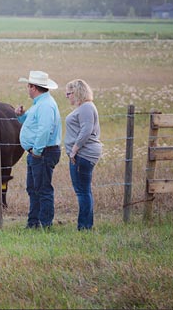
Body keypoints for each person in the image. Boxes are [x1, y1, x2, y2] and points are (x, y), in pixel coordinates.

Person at [15, 71, 62, 229]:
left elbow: (44, 130)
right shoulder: (39, 104)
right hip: (38, 152)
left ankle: (44, 224)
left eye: (28, 86)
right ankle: (34, 222)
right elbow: (30, 122)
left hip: (42, 152)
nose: (27, 89)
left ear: (33, 87)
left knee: (42, 189)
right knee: (33, 188)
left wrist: (37, 151)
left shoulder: (45, 105)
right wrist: (21, 115)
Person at [64, 79, 102, 231]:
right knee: (84, 190)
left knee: (82, 191)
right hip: (83, 153)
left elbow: (86, 130)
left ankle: (84, 226)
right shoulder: (84, 107)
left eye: (69, 93)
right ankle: (86, 224)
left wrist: (74, 149)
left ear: (77, 92)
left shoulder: (86, 107)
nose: (67, 97)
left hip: (83, 154)